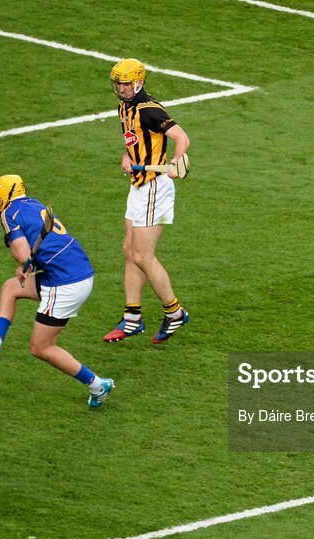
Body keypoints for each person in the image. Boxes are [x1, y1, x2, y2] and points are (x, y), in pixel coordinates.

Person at [0, 174, 114, 408]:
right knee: (11, 287)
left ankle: (98, 385)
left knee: (41, 347)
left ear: (0, 198)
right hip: (77, 272)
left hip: (65, 283)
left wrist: (24, 263)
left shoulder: (10, 214)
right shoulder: (32, 204)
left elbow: (22, 253)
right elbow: (41, 252)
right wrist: (28, 267)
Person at [101, 58, 192, 345]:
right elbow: (133, 139)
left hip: (155, 186)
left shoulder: (150, 109)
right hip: (139, 185)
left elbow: (181, 136)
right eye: (119, 83)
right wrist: (127, 156)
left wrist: (177, 160)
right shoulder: (124, 107)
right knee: (129, 249)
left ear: (139, 82)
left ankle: (175, 312)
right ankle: (132, 318)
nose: (122, 88)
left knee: (142, 255)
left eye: (127, 83)